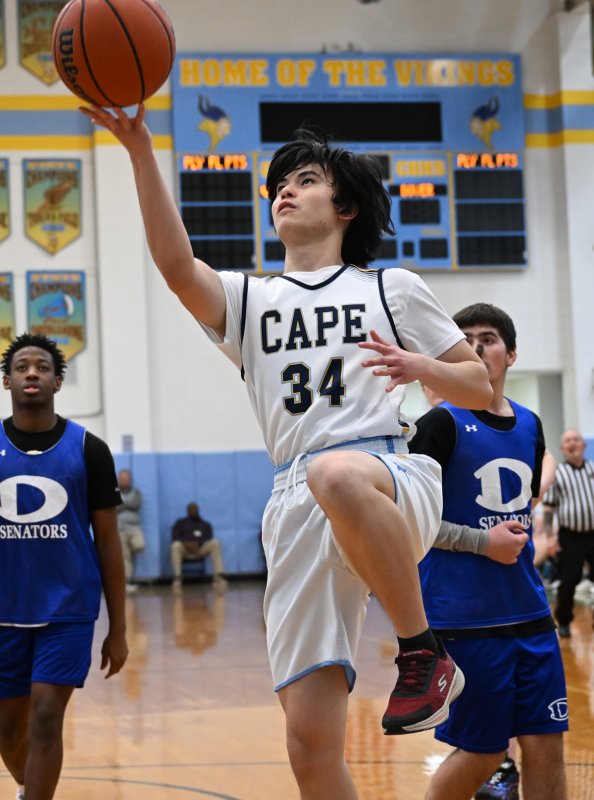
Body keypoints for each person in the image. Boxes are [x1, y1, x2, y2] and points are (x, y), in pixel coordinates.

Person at [81, 102, 493, 800]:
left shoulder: (390, 287)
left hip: (389, 473)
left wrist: (421, 368)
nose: (285, 193)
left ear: (346, 207)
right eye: (278, 186)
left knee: (337, 472)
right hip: (294, 499)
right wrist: (141, 149)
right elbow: (176, 266)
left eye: (304, 180)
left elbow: (478, 386)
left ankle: (422, 651)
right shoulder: (251, 300)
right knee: (308, 743)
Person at [409, 303, 568, 800]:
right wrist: (483, 542)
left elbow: (524, 505)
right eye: (465, 339)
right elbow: (408, 524)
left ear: (511, 354)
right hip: (466, 620)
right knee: (482, 753)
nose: (476, 347)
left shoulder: (531, 425)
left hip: (531, 613)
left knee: (547, 746)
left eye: (488, 338)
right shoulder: (438, 425)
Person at [0, 332, 128, 800]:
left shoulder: (90, 449)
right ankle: (28, 787)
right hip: (5, 609)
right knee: (7, 730)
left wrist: (118, 629)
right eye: (21, 367)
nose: (31, 373)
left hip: (67, 610)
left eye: (42, 367)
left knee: (46, 716)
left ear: (57, 381)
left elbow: (108, 542)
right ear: (8, 381)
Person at [542, 428, 594, 638]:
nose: (572, 443)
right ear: (562, 448)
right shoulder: (558, 473)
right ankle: (563, 620)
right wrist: (550, 538)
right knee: (569, 579)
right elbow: (548, 509)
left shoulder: (592, 468)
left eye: (576, 439)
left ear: (584, 445)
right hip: (570, 535)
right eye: (568, 441)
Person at [170, 502, 227, 590]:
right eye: (191, 510)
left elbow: (209, 537)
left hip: (200, 549)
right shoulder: (180, 523)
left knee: (215, 543)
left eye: (195, 509)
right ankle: (177, 578)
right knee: (175, 545)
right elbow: (175, 536)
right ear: (187, 511)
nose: (193, 511)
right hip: (185, 549)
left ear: (198, 510)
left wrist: (197, 543)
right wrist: (186, 543)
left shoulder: (205, 524)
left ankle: (219, 576)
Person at [116, 468, 145, 594]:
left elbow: (135, 505)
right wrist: (125, 504)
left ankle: (130, 549)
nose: (123, 480)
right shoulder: (114, 491)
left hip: (134, 527)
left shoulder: (136, 492)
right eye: (121, 478)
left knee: (140, 545)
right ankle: (126, 582)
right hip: (120, 528)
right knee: (125, 556)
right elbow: (115, 506)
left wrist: (122, 503)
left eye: (126, 478)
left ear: (130, 479)